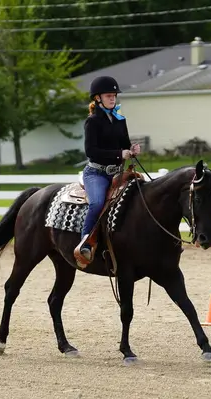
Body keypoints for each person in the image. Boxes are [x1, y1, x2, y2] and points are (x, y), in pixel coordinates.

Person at [76, 75, 141, 261]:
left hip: (118, 173)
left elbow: (125, 145)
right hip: (96, 173)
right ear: (97, 98)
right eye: (108, 95)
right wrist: (120, 154)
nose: (113, 98)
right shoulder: (92, 121)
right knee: (97, 203)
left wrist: (132, 150)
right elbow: (91, 151)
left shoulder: (120, 119)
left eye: (114, 95)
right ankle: (85, 243)